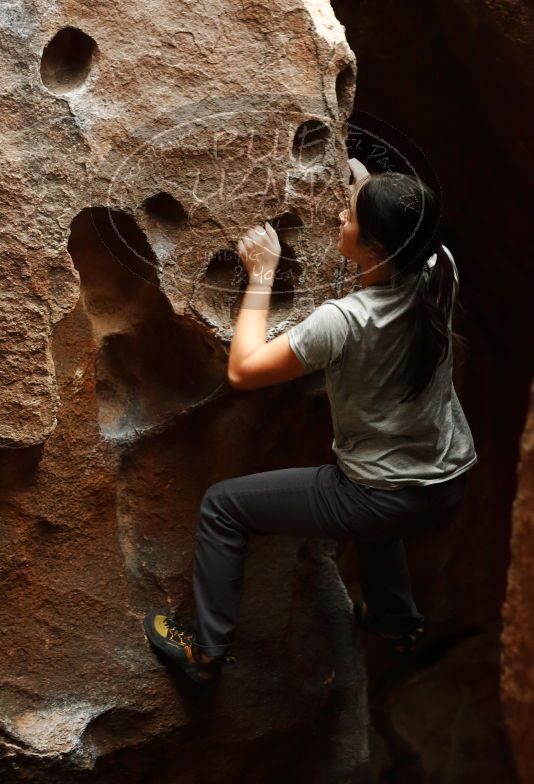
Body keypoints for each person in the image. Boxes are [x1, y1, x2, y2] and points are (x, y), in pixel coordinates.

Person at [143, 158, 477, 684]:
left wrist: (262, 274)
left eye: (349, 218)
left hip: (379, 497)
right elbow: (401, 231)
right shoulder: (440, 267)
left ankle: (205, 652)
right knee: (384, 512)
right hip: (449, 480)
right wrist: (368, 188)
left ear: (374, 248)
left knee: (223, 507)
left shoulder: (345, 322)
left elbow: (245, 369)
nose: (341, 219)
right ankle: (396, 620)